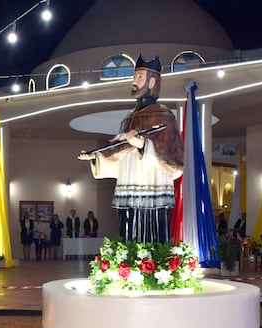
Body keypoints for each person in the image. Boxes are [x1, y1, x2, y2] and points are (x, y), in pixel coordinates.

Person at [78, 55, 183, 243]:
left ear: (152, 82)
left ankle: (154, 266)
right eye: (134, 77)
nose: (134, 81)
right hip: (128, 183)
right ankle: (126, 266)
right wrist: (98, 157)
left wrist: (143, 145)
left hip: (152, 187)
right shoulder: (129, 118)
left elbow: (173, 156)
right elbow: (119, 151)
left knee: (151, 233)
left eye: (139, 77)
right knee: (128, 228)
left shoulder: (163, 115)